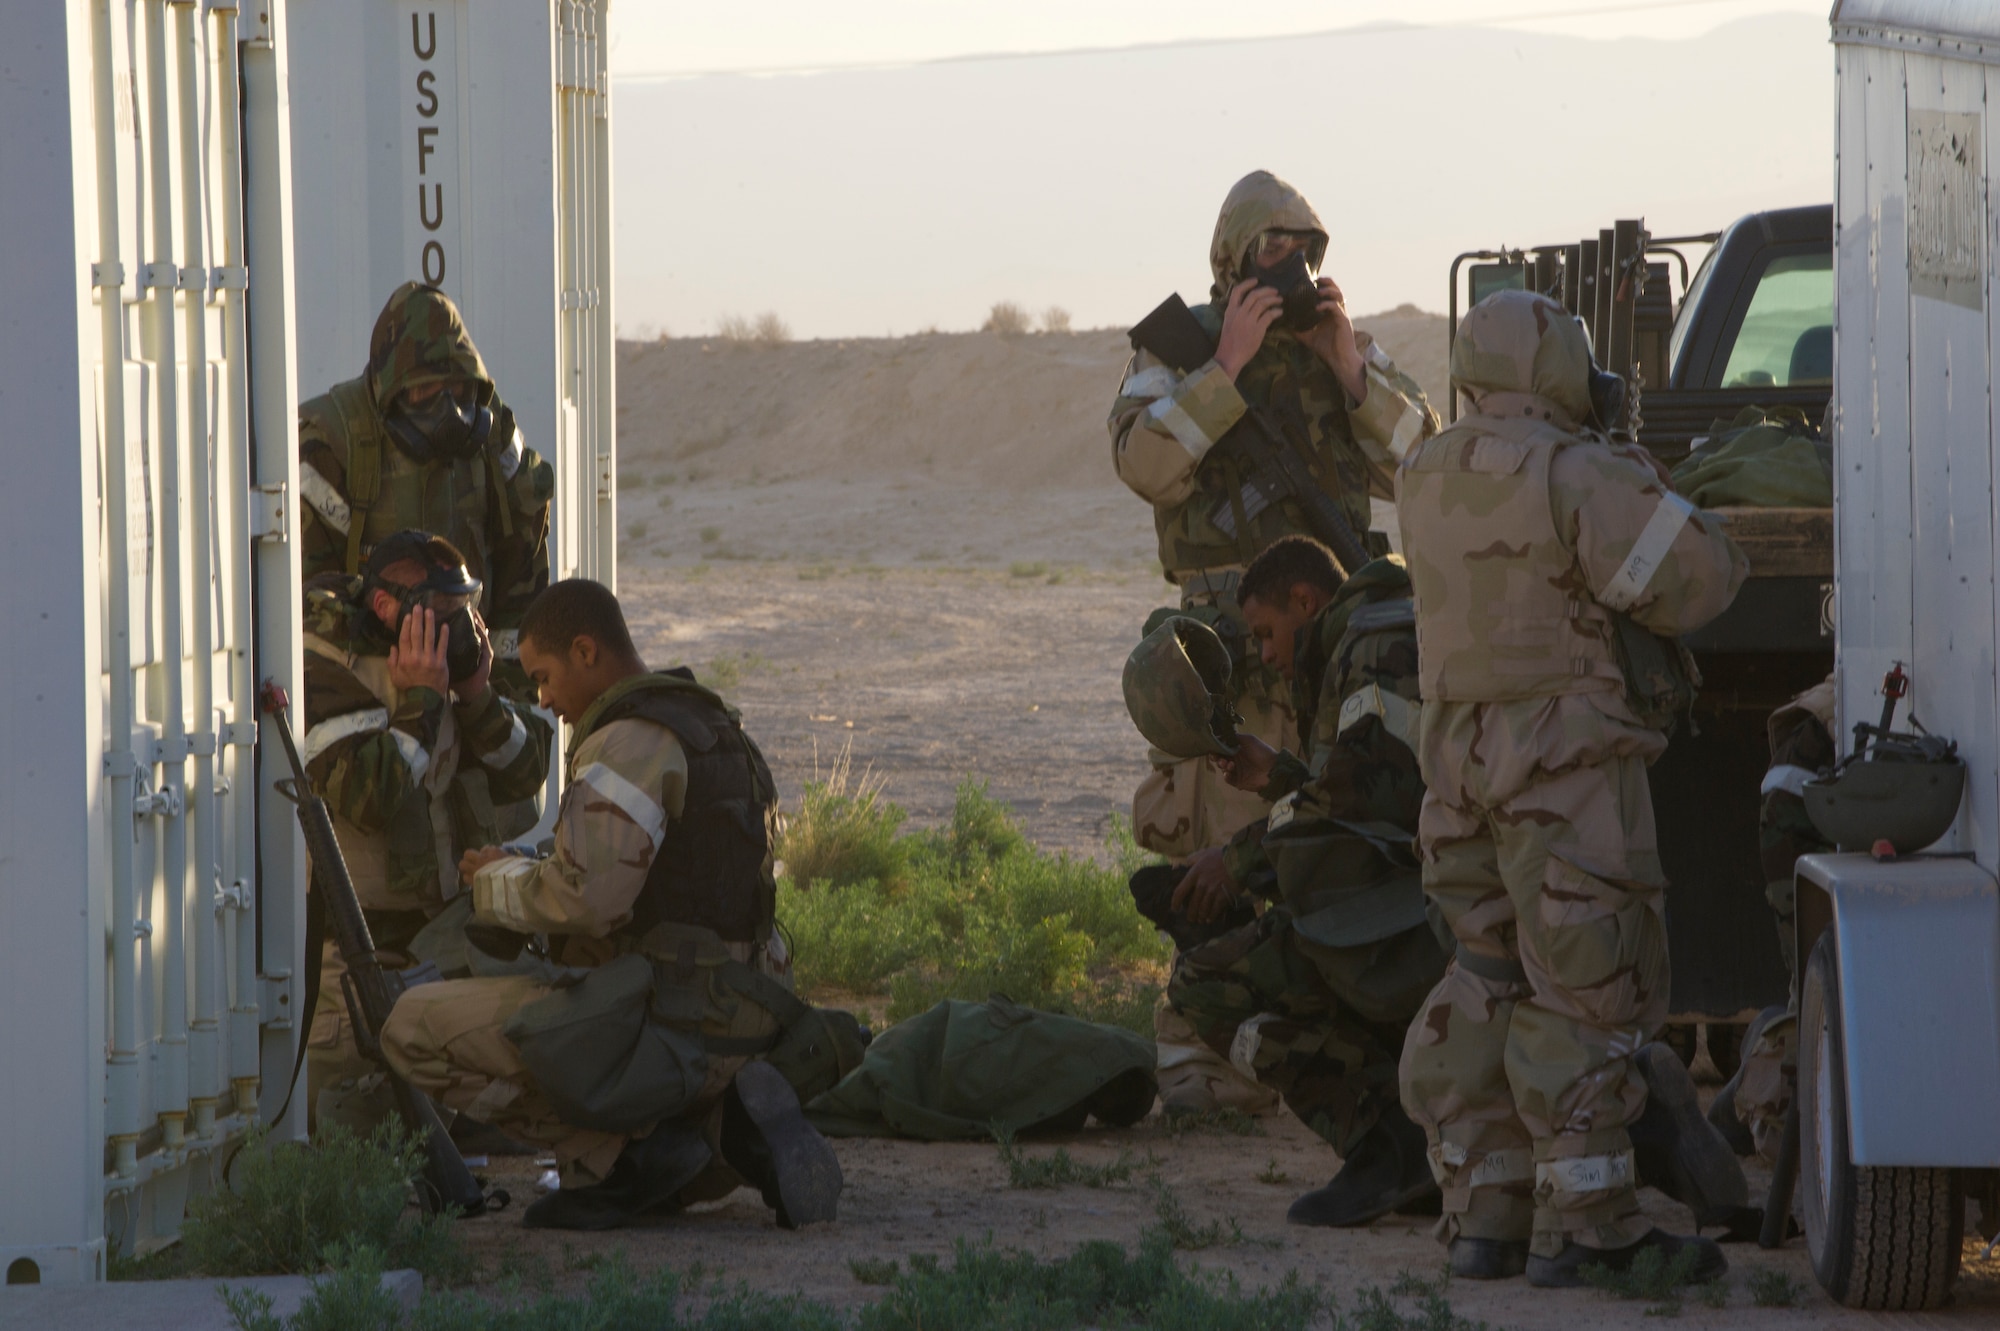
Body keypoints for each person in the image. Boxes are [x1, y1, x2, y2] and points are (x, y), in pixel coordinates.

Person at [1396, 290, 1749, 1286]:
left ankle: (1485, 1215)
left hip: (1454, 776)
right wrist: (1636, 469)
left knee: (1483, 981)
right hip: (1563, 772)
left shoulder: (1421, 469)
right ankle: (1589, 1223)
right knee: (1587, 989)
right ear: (1556, 368)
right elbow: (1701, 579)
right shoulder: (1577, 470)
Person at [1109, 168, 1438, 1112]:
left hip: (1329, 641)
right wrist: (1226, 370)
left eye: (1306, 246)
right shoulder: (1177, 353)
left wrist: (1350, 370)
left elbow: (1428, 457)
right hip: (1224, 646)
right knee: (1218, 842)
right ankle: (1201, 1057)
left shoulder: (1346, 352)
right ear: (1232, 257)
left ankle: (1322, 1048)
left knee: (1324, 835)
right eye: (1273, 247)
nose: (1293, 262)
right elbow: (1146, 464)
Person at [379, 579, 842, 1231]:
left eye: (543, 676)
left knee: (410, 1025)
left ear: (586, 651)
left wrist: (494, 882)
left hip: (673, 1024)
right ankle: (728, 1133)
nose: (543, 699)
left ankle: (617, 1156)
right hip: (748, 1014)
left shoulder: (628, 742)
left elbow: (590, 901)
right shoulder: (712, 723)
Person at [1164, 535, 1449, 1226]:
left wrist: (1231, 861)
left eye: (1266, 631)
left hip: (1414, 911)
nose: (1262, 652)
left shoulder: (1371, 646)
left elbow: (1366, 804)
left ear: (1305, 599)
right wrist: (1283, 777)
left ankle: (1388, 1143)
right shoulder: (1373, 631)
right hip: (1412, 893)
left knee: (1205, 983)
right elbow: (1376, 790)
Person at [301, 531, 553, 1131]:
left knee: (554, 1025)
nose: (460, 628)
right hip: (358, 960)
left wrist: (474, 694)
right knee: (359, 1121)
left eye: (466, 610)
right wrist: (421, 701)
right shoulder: (326, 661)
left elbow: (526, 775)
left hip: (442, 943)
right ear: (387, 610)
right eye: (442, 616)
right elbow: (370, 797)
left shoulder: (450, 673)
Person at [297, 282, 555, 699]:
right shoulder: (331, 442)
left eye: (457, 389)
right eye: (428, 391)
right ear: (392, 392)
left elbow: (522, 570)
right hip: (372, 685)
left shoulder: (494, 437)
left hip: (475, 676)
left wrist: (498, 696)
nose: (450, 412)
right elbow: (310, 604)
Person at [1708, 675, 1837, 1162]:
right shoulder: (1815, 740)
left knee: (1805, 1007)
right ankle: (1747, 1108)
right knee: (1810, 1011)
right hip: (1805, 809)